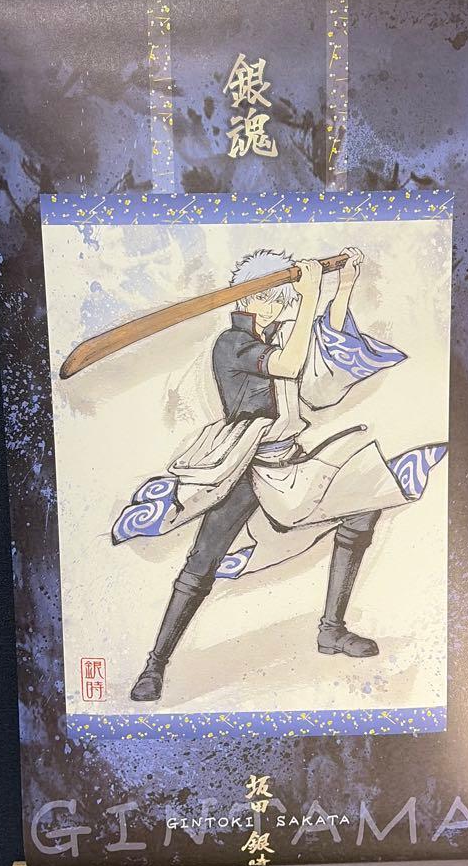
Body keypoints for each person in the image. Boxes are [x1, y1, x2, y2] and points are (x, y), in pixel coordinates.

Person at [111, 247, 447, 702]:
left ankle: (331, 629)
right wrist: (308, 296)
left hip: (286, 459)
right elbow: (288, 363)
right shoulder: (231, 343)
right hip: (241, 464)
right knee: (202, 563)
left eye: (283, 299)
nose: (278, 306)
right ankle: (154, 666)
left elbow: (327, 351)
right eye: (270, 298)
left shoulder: (281, 333)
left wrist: (342, 287)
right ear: (249, 298)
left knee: (364, 502)